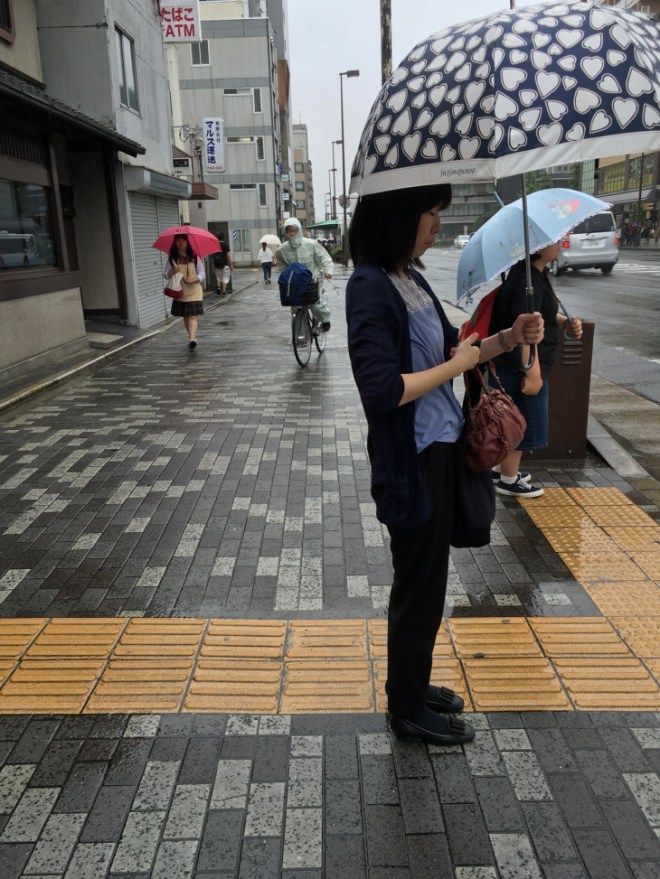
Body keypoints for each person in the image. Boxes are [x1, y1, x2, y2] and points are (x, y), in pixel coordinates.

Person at [346, 184, 544, 747]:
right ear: (398, 217)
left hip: (441, 449)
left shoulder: (411, 278)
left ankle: (416, 682)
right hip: (411, 460)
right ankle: (405, 707)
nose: (437, 224)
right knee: (418, 584)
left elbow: (452, 352)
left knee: (430, 580)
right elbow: (381, 389)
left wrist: (507, 337)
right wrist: (455, 362)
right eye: (430, 213)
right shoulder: (369, 286)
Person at [488, 243, 583, 498]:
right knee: (520, 422)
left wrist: (565, 323)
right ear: (538, 247)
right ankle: (508, 480)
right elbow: (525, 333)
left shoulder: (535, 277)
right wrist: (532, 373)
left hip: (520, 364)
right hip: (521, 366)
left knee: (516, 418)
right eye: (556, 240)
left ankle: (502, 470)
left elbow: (543, 316)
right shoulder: (525, 283)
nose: (563, 242)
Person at [275, 217, 333, 331]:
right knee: (296, 306)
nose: (292, 233)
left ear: (299, 230)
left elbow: (324, 258)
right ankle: (300, 335)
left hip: (313, 278)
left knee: (315, 303)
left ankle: (325, 320)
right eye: (289, 230)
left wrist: (328, 271)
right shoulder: (282, 250)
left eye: (294, 230)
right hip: (296, 281)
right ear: (286, 232)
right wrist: (285, 276)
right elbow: (281, 265)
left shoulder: (311, 244)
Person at [164, 233, 206, 350]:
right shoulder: (172, 259)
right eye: (178, 240)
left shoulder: (194, 257)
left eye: (183, 240)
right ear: (175, 243)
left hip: (194, 290)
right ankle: (191, 337)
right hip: (180, 290)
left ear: (187, 242)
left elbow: (202, 274)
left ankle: (192, 339)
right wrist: (173, 270)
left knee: (192, 315)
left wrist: (196, 278)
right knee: (185, 316)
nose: (181, 242)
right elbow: (165, 275)